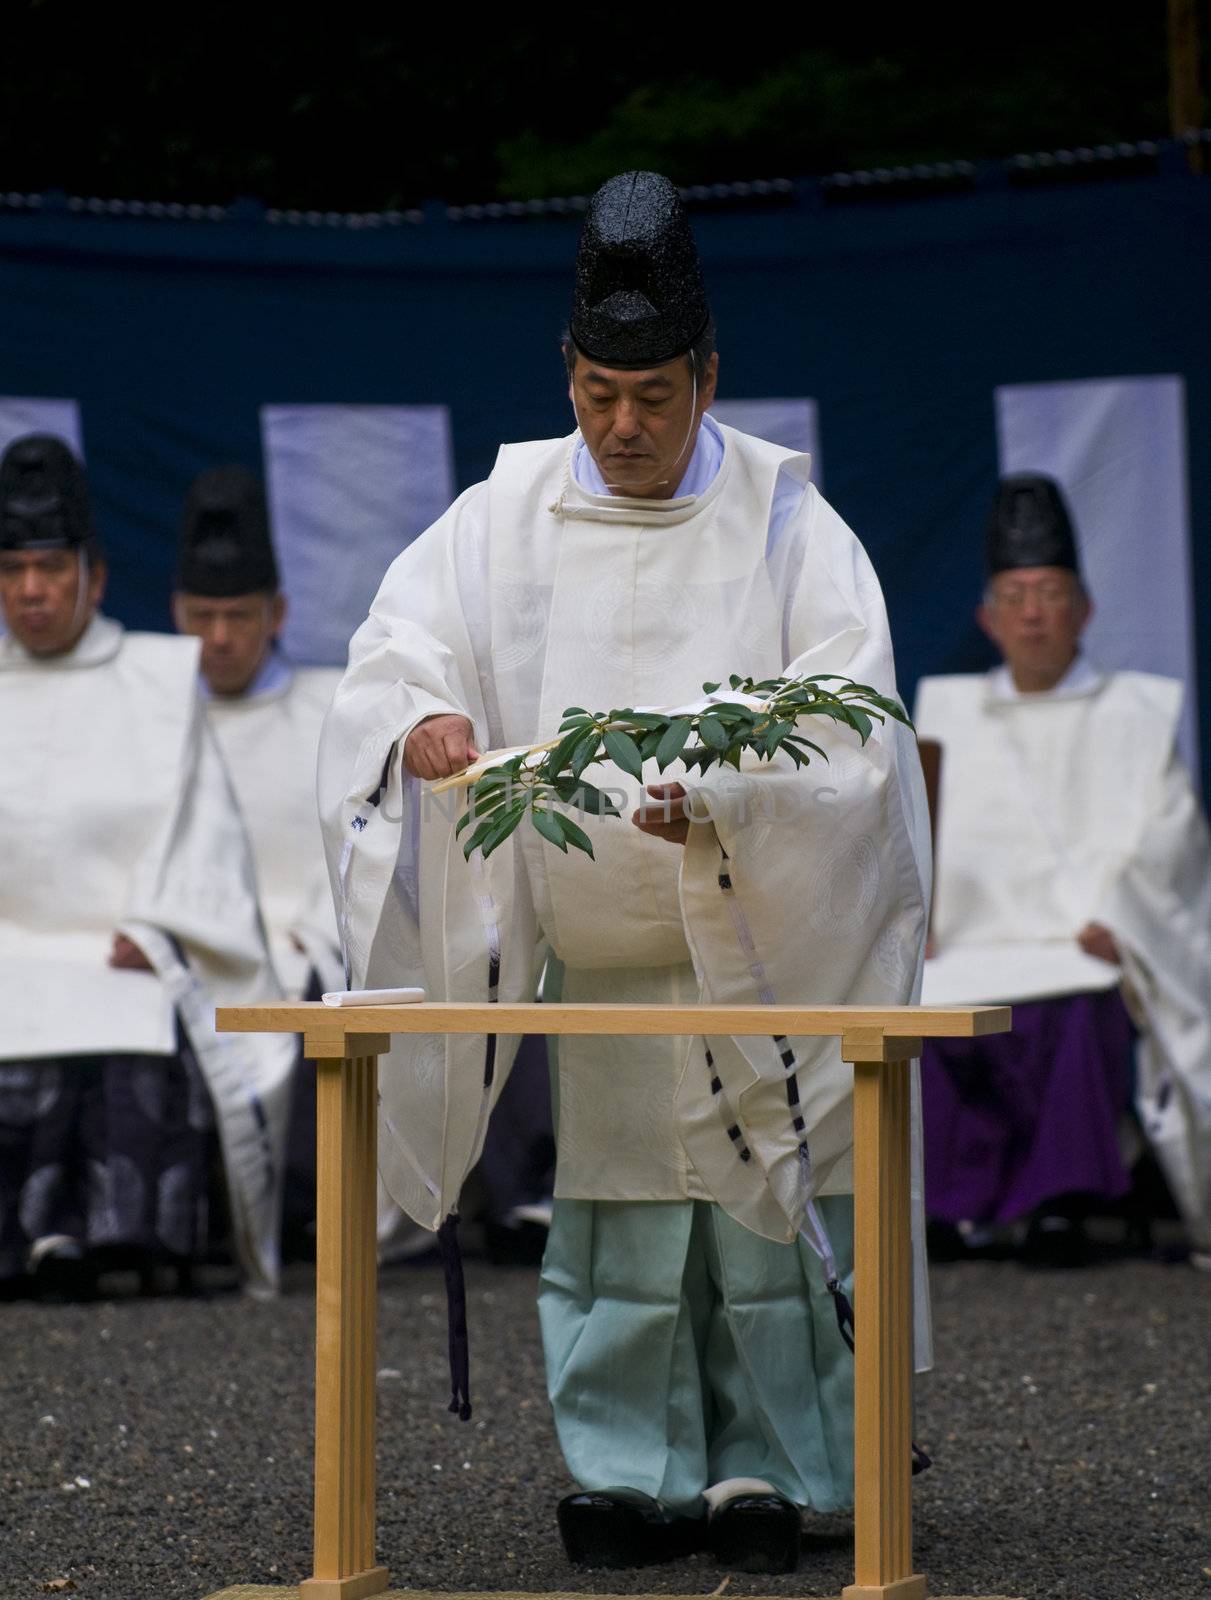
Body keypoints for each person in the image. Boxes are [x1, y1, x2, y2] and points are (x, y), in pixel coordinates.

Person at [318, 172, 930, 1573]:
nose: (623, 426)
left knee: (759, 1217)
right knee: (617, 1224)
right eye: (598, 392)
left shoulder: (783, 520)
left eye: (653, 396)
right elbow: (393, 642)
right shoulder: (499, 512)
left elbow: (855, 729)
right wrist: (420, 717)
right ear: (567, 373)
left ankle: (782, 1470)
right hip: (594, 949)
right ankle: (623, 1469)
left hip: (756, 944)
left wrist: (733, 801)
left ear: (707, 376)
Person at [0, 435, 295, 1300]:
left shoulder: (164, 680)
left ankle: (104, 1236)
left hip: (121, 952)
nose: (30, 590)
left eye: (49, 568)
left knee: (126, 1016)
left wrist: (165, 926)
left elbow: (210, 843)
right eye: (11, 568)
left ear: (92, 575)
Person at [916, 475, 1211, 1269]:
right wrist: (921, 921)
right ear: (987, 617)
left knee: (1078, 1006)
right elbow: (911, 836)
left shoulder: (1137, 714)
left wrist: (1121, 919)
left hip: (1082, 948)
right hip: (970, 949)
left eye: (1050, 593)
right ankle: (948, 1205)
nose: (1033, 613)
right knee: (922, 1007)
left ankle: (1060, 1201)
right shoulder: (943, 712)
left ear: (1083, 610)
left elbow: (1170, 839)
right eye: (1015, 596)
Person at [172, 466, 343, 1255]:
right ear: (175, 613)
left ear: (277, 613)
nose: (219, 638)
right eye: (201, 616)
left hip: (304, 936)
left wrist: (316, 929)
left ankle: (314, 1206)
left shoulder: (332, 706)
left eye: (238, 616)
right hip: (189, 938)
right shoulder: (147, 712)